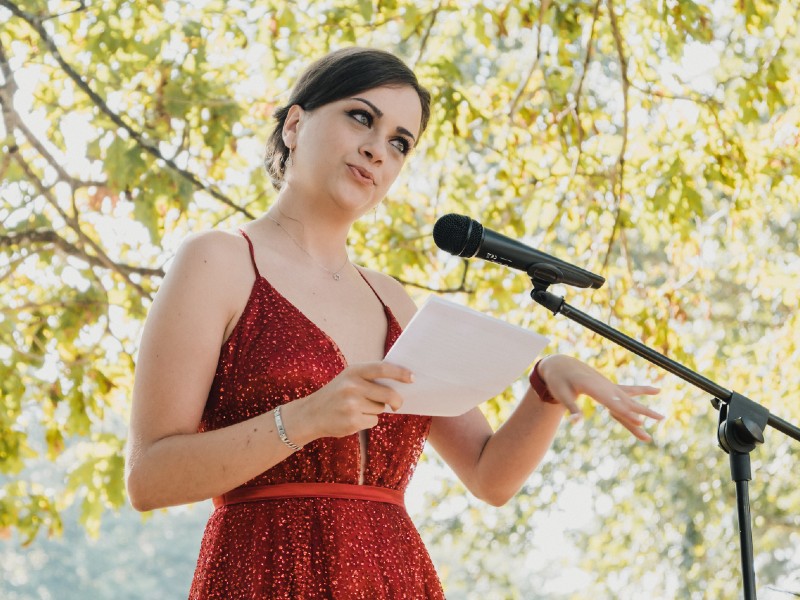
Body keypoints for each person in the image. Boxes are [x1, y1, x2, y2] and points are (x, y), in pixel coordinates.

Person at [125, 47, 663, 599]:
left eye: (399, 143)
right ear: (294, 124)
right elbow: (149, 478)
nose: (376, 150)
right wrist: (306, 418)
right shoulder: (217, 260)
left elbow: (488, 475)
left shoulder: (393, 302)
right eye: (362, 117)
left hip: (396, 579)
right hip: (262, 576)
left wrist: (548, 384)